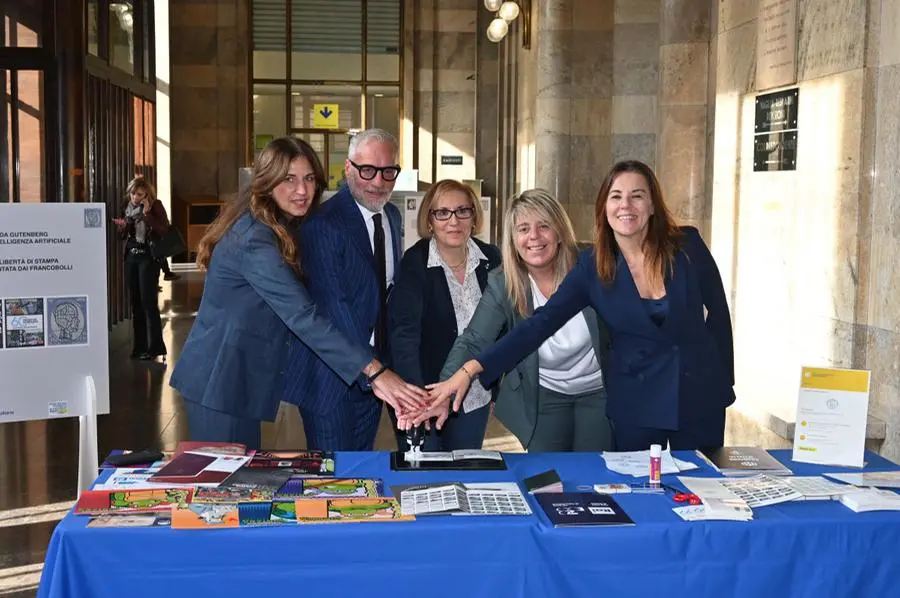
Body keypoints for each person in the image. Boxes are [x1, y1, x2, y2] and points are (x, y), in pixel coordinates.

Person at [417, 160, 735, 452]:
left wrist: (723, 376)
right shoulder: (593, 267)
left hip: (699, 395)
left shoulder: (688, 245)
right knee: (634, 492)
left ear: (652, 204)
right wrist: (470, 370)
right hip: (636, 403)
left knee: (701, 485)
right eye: (616, 196)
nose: (626, 205)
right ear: (604, 208)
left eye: (637, 196)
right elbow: (538, 325)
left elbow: (719, 312)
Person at [169, 136, 427, 449]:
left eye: (308, 179)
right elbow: (302, 315)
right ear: (266, 181)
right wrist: (374, 371)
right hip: (221, 377)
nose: (302, 191)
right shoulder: (254, 238)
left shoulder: (278, 224)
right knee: (224, 484)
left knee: (238, 479)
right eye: (289, 180)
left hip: (241, 376)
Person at [435, 189, 613, 452]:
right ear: (512, 239)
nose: (534, 237)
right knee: (548, 479)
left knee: (593, 475)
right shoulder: (504, 282)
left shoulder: (591, 266)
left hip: (599, 391)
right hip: (544, 394)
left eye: (544, 226)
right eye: (523, 229)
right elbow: (474, 340)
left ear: (560, 231)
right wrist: (445, 389)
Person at [280, 128, 409, 451]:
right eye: (367, 170)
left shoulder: (391, 216)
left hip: (375, 369)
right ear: (348, 169)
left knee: (361, 464)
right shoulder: (322, 224)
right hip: (331, 377)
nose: (378, 182)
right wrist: (375, 371)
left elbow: (388, 293)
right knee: (333, 475)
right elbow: (333, 308)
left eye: (388, 171)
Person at [387, 179, 501, 451]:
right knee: (425, 475)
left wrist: (494, 386)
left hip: (474, 394)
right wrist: (417, 398)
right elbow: (404, 336)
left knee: (465, 471)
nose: (454, 221)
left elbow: (502, 330)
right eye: (442, 213)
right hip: (425, 394)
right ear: (429, 220)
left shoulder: (491, 258)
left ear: (474, 216)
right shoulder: (415, 262)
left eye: (463, 211)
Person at [112, 177, 169, 361]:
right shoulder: (127, 207)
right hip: (131, 257)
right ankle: (139, 347)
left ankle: (155, 347)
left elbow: (163, 229)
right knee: (136, 303)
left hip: (148, 258)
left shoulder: (155, 206)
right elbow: (122, 236)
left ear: (147, 196)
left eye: (139, 195)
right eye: (133, 194)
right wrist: (124, 225)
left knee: (148, 302)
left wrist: (146, 214)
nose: (135, 198)